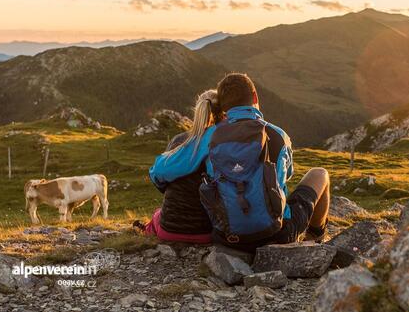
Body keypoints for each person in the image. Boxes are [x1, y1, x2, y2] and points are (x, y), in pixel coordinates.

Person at [149, 73, 329, 251]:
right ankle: (316, 235)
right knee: (320, 174)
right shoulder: (278, 135)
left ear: (223, 106)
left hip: (227, 236)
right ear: (255, 97)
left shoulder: (209, 137)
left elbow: (161, 170)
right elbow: (286, 176)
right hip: (278, 234)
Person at [138, 90, 221, 243]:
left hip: (169, 230)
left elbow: (161, 182)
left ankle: (146, 231)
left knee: (157, 214)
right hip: (207, 232)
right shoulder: (224, 143)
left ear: (199, 111)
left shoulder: (179, 141)